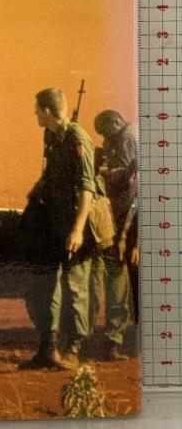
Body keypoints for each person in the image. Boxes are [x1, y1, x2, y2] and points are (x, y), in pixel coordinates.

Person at [19, 87, 96, 370]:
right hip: (53, 218)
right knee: (48, 283)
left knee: (75, 286)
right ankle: (48, 349)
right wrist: (36, 192)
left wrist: (77, 230)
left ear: (47, 111)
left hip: (75, 220)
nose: (35, 114)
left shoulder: (78, 138)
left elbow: (87, 188)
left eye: (37, 110)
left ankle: (73, 348)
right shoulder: (50, 135)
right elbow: (51, 172)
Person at [91, 110, 139, 360]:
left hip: (124, 216)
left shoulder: (126, 139)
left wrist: (99, 172)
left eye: (105, 132)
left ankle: (113, 339)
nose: (104, 138)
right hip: (121, 214)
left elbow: (123, 177)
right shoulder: (124, 137)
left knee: (116, 273)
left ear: (115, 123)